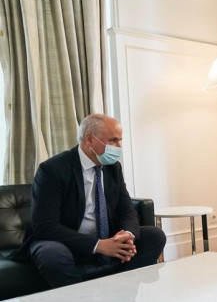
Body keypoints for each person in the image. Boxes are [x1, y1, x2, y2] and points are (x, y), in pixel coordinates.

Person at [27, 114, 166, 288]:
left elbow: (127, 209)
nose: (119, 147)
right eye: (113, 140)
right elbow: (45, 227)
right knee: (53, 255)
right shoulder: (52, 170)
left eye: (120, 140)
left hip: (106, 238)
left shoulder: (113, 167)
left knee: (155, 235)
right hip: (65, 242)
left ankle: (121, 290)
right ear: (90, 140)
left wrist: (127, 235)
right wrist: (98, 245)